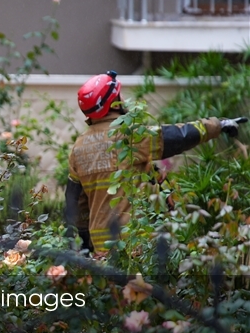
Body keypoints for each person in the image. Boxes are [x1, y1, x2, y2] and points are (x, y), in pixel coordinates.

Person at [65, 70, 246, 253]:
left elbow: (75, 202)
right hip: (135, 249)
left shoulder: (78, 147)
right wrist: (218, 125)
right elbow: (178, 136)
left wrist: (84, 245)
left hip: (102, 250)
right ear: (113, 103)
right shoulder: (130, 135)